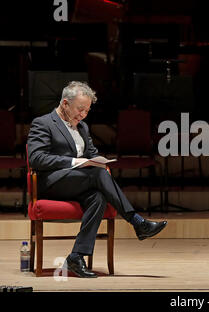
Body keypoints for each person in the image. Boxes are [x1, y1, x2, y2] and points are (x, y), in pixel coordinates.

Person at [27, 81, 167, 278]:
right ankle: (137, 221)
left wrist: (98, 161)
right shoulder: (43, 123)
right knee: (98, 174)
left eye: (87, 110)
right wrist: (75, 161)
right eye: (80, 109)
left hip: (80, 182)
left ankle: (76, 257)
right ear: (65, 103)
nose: (83, 114)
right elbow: (37, 158)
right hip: (52, 183)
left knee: (98, 197)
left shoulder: (82, 127)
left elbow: (91, 154)